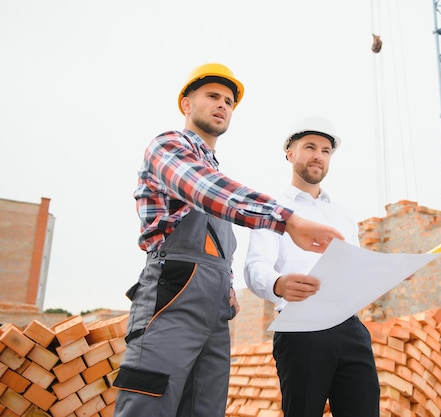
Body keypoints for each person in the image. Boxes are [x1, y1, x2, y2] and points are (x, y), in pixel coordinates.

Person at [112, 64, 344, 417]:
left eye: (228, 101)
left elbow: (217, 239)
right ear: (186, 104)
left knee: (204, 408)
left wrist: (228, 285)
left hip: (214, 310)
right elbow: (206, 190)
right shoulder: (168, 146)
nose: (222, 104)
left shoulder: (215, 170)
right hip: (170, 301)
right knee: (149, 404)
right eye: (212, 96)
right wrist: (287, 218)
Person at [244, 117, 380, 417]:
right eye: (309, 147)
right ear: (290, 153)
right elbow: (255, 267)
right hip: (301, 327)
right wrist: (279, 284)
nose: (319, 155)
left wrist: (383, 272)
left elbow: (354, 270)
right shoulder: (273, 209)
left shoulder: (343, 215)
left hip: (350, 328)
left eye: (326, 150)